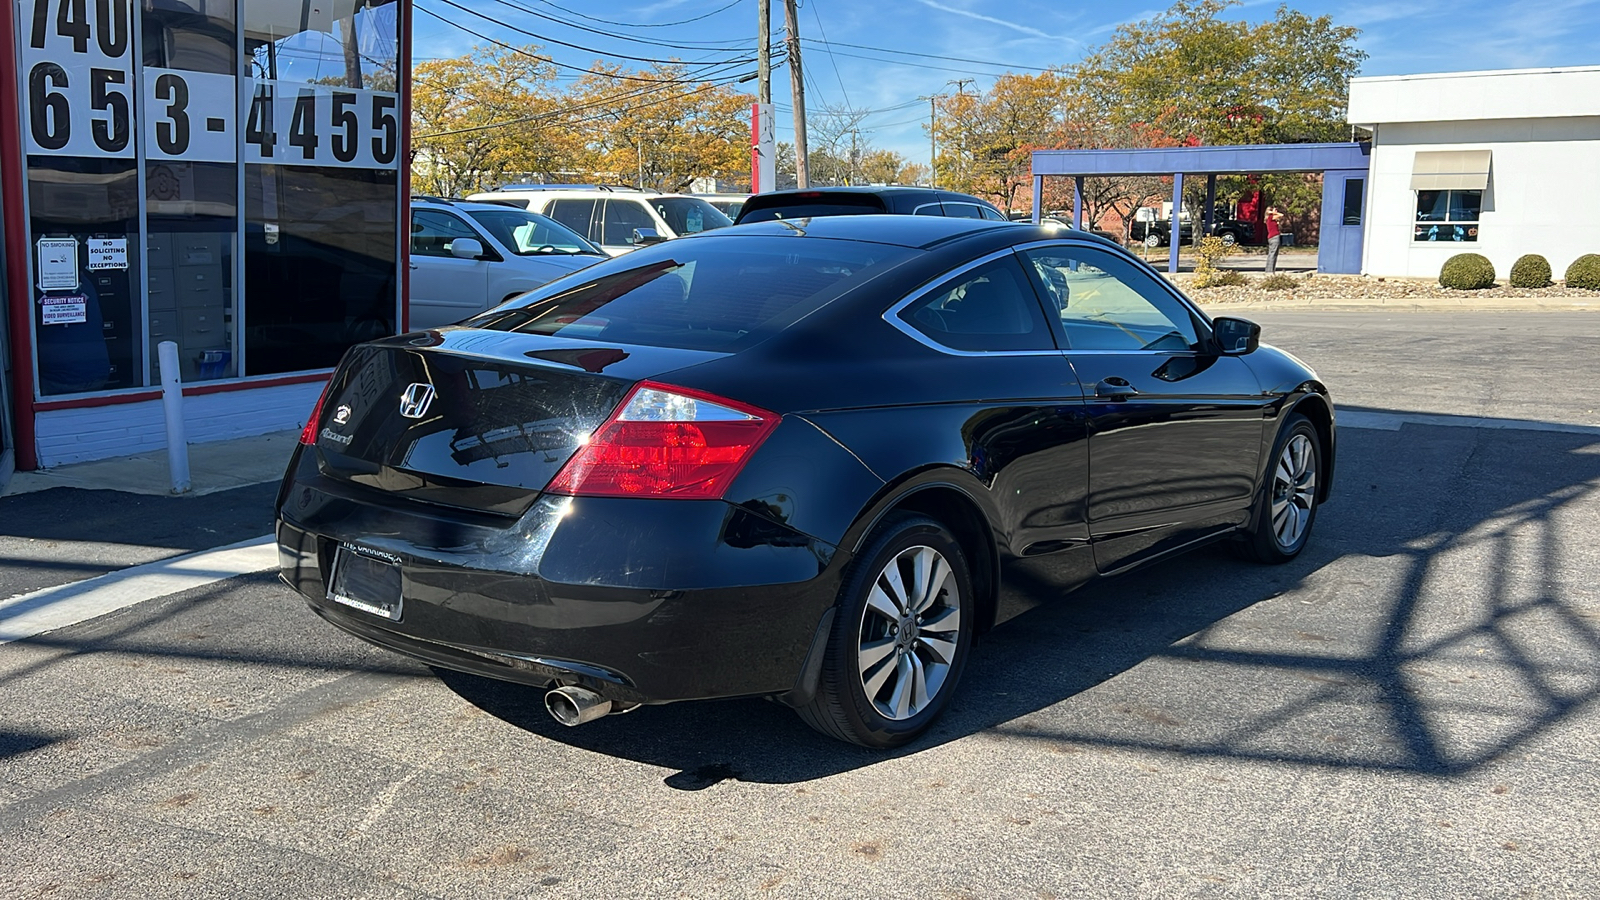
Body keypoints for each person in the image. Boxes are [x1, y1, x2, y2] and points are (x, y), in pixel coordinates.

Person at [1264, 206, 1284, 275]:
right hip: (1274, 237)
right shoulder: (1271, 217)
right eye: (1275, 210)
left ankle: (1270, 269)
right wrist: (1274, 212)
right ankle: (1270, 271)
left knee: (1272, 254)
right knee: (1273, 254)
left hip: (1272, 237)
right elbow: (1281, 215)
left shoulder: (1271, 219)